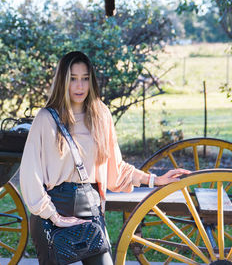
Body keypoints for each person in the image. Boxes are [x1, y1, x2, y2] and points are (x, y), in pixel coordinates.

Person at [19, 51, 190, 264]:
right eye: (73, 79)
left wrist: (154, 180)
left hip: (89, 207)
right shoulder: (46, 119)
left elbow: (114, 169)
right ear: (63, 81)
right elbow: (29, 173)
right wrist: (53, 215)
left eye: (85, 79)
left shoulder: (101, 115)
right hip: (53, 210)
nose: (79, 86)